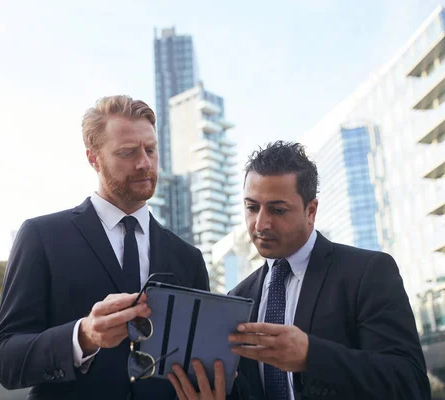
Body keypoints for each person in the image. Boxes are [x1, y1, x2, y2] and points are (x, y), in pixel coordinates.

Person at [168, 141, 430, 400]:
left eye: (277, 210)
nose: (260, 223)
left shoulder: (367, 273)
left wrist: (311, 355)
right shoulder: (237, 296)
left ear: (311, 210)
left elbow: (410, 383)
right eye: (251, 207)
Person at [0, 95, 210, 400]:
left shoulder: (189, 258)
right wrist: (83, 336)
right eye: (127, 152)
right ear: (94, 158)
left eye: (150, 150)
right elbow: (5, 359)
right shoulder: (41, 236)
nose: (144, 163)